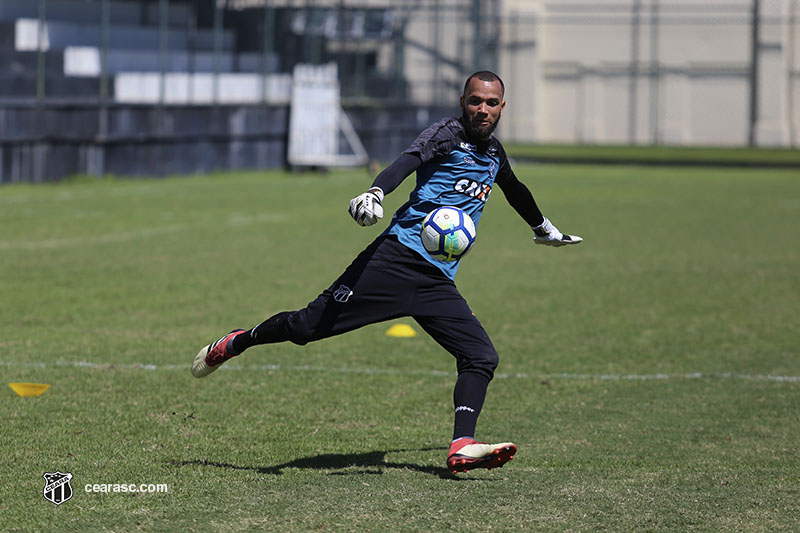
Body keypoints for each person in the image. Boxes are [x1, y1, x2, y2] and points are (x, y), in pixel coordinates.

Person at [192, 71, 582, 474]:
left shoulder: (494, 154)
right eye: (475, 101)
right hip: (393, 261)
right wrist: (377, 191)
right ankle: (239, 342)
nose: (482, 110)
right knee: (307, 327)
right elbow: (407, 162)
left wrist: (544, 229)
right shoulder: (446, 135)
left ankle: (462, 444)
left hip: (436, 282)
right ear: (462, 101)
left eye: (491, 103)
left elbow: (515, 189)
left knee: (480, 356)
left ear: (503, 106)